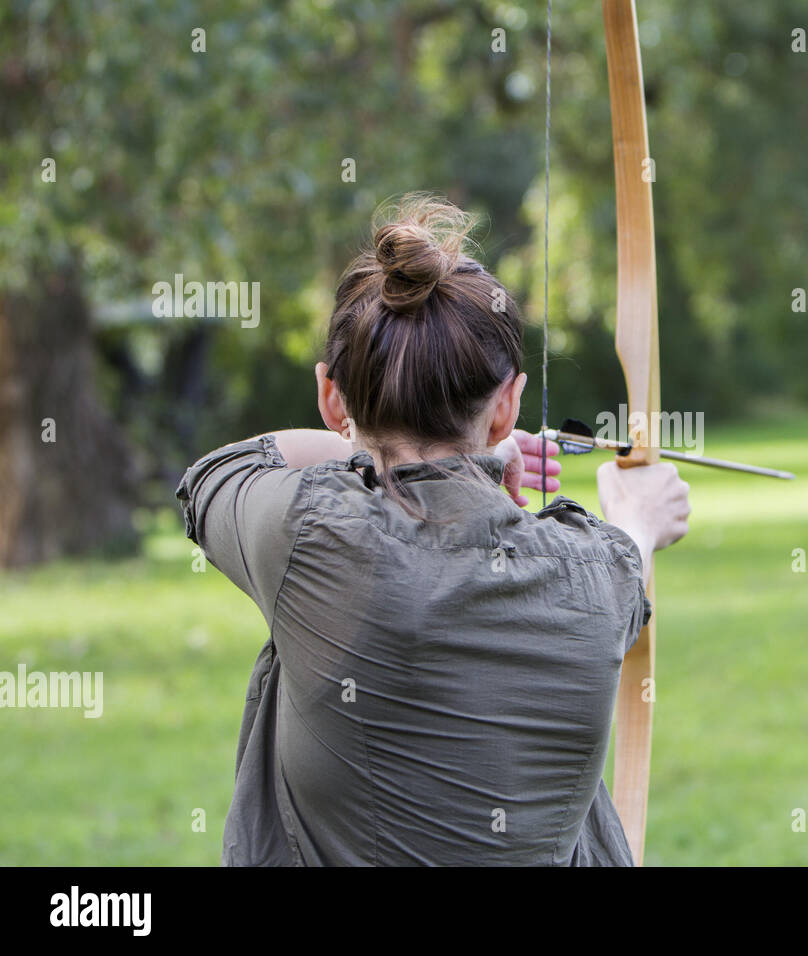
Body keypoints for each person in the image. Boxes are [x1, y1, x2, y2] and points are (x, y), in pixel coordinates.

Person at [176, 194, 691, 865]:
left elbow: (220, 470)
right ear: (506, 406)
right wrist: (638, 516)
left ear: (331, 394)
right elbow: (624, 549)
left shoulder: (309, 536)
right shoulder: (599, 574)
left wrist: (412, 452)